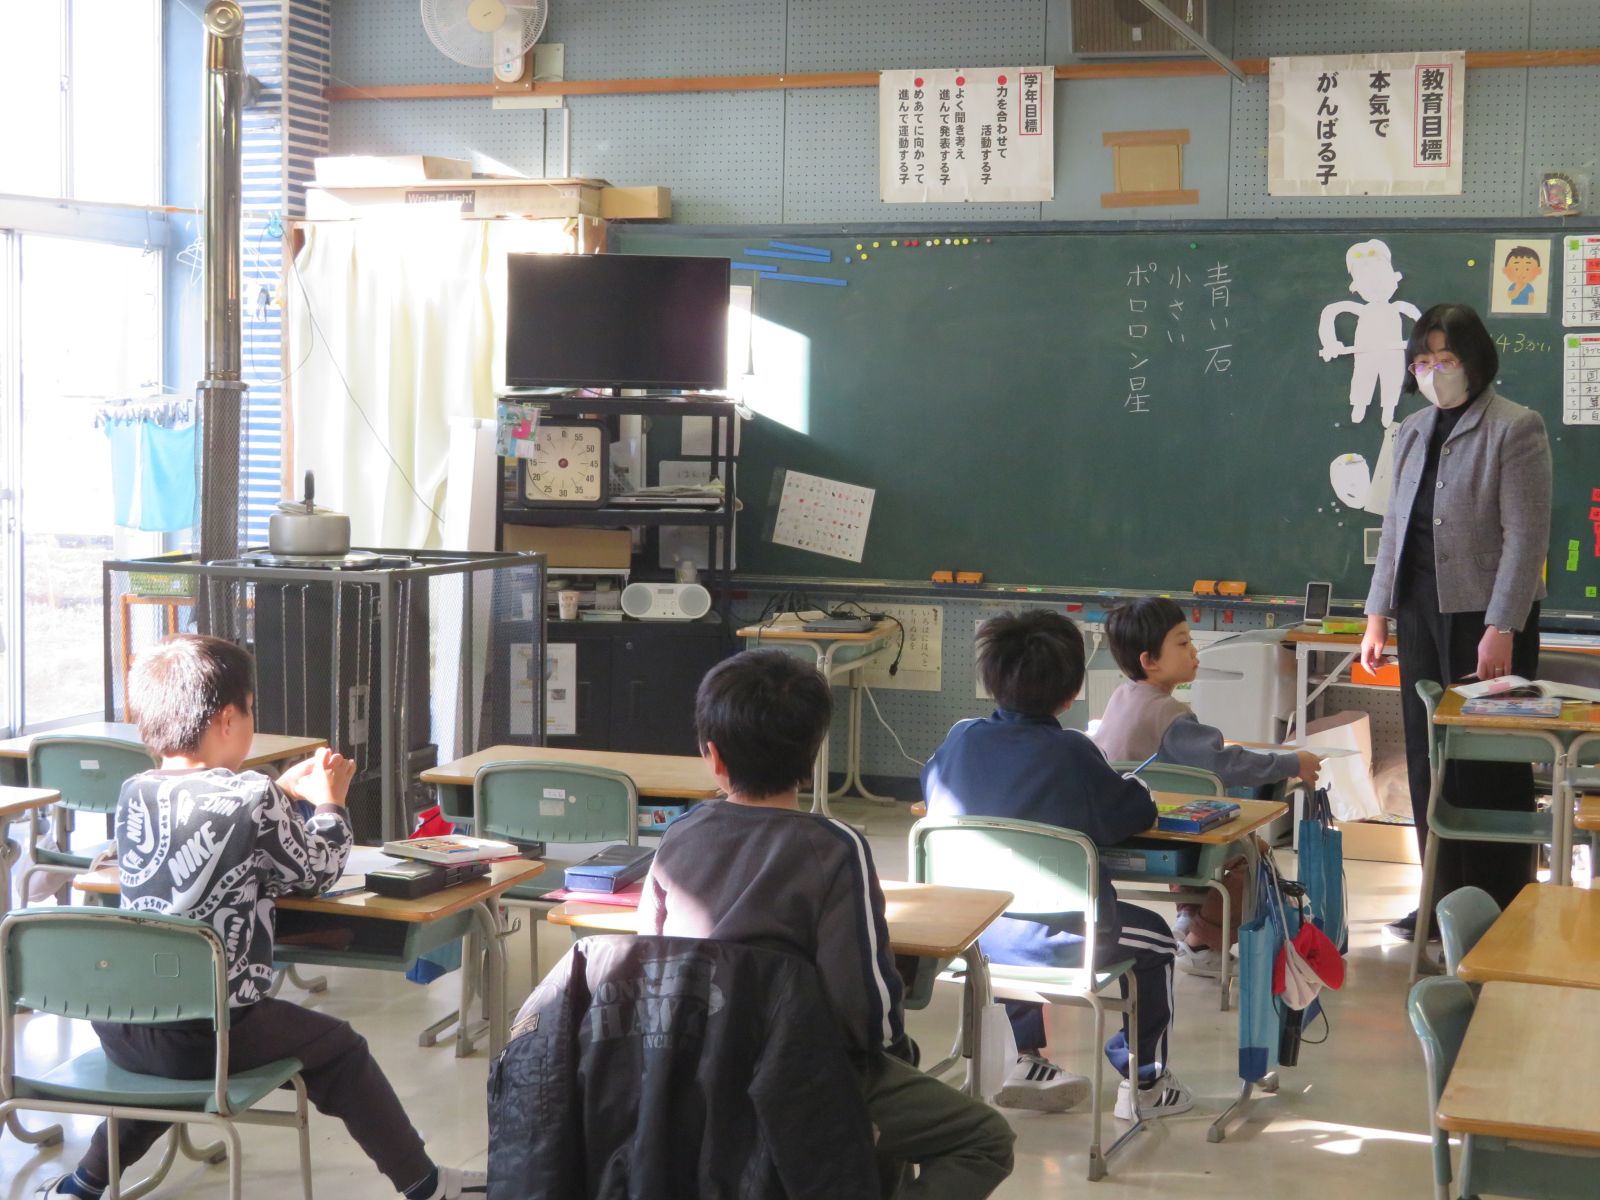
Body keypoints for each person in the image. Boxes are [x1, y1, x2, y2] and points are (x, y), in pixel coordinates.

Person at [43, 635, 484, 1200]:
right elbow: (319, 870)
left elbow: (212, 821)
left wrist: (278, 790)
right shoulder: (253, 797)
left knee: (168, 1049)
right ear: (227, 719)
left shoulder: (135, 791)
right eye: (251, 709)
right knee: (341, 1048)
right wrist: (330, 802)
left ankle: (84, 1182)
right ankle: (426, 1184)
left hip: (129, 1028)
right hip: (214, 1035)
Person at [637, 649, 1015, 1199]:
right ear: (814, 756)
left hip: (691, 1068)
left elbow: (649, 965)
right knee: (986, 1139)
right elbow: (865, 1009)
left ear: (712, 756)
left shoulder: (680, 836)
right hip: (802, 1074)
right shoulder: (836, 847)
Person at [922, 610, 1193, 1120]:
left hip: (970, 937)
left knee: (1008, 902)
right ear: (1072, 694)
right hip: (1061, 942)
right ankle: (1147, 1083)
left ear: (991, 680)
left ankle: (1027, 1056)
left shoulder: (959, 739)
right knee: (1158, 940)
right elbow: (1129, 814)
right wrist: (1137, 788)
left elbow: (931, 787)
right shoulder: (1072, 752)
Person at [1359, 303, 1552, 941]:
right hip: (1420, 612)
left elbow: (1526, 538)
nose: (1434, 371)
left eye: (1446, 359)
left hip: (1486, 620)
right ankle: (1440, 903)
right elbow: (1395, 530)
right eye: (1423, 360)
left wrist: (1503, 625)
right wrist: (1376, 614)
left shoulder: (1515, 427)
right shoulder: (1412, 429)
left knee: (1486, 766)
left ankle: (1499, 912)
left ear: (1475, 361)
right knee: (1428, 762)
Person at [1093, 596, 1322, 976]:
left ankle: (1189, 918)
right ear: (1150, 661)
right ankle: (1203, 943)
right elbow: (1225, 765)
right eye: (1183, 643)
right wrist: (1292, 762)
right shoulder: (1171, 714)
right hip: (1157, 837)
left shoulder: (1122, 697)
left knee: (1203, 826)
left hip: (1118, 832)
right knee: (1252, 853)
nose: (1194, 651)